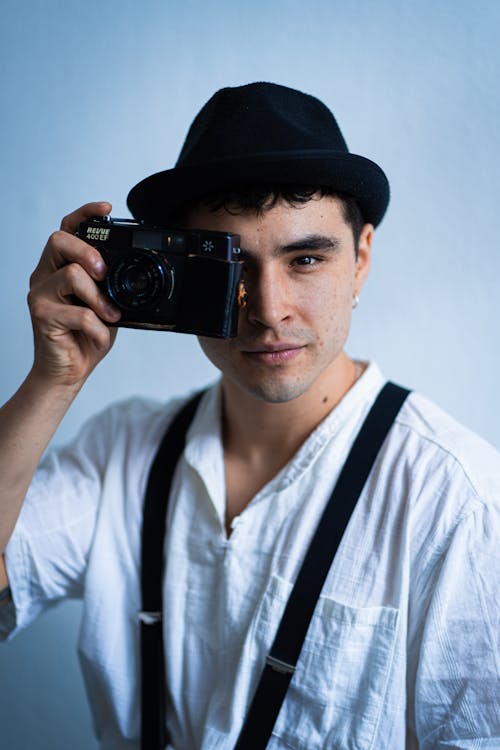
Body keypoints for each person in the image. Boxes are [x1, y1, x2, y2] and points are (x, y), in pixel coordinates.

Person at [0, 82, 499, 750]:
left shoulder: (456, 499)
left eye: (306, 259)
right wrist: (51, 380)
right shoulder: (123, 449)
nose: (267, 309)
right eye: (231, 264)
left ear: (362, 260)